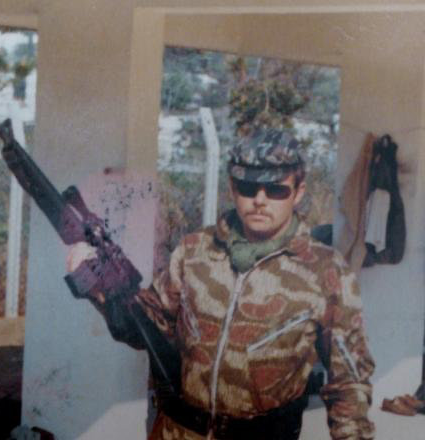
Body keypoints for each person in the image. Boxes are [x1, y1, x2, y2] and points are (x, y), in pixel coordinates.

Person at [67, 128, 375, 440]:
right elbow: (145, 330)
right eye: (248, 187)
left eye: (276, 190)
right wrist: (100, 289)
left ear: (298, 192)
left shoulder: (326, 271)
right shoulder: (194, 251)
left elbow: (349, 384)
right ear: (232, 187)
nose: (260, 200)